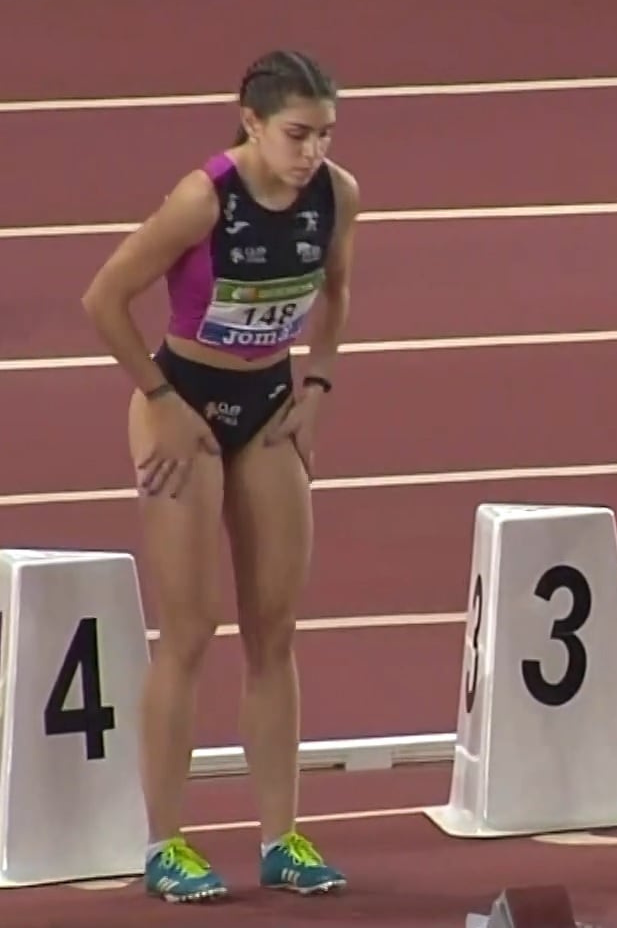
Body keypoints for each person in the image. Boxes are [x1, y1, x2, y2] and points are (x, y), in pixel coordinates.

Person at [81, 49, 359, 900]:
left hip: (269, 404)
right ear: (251, 121)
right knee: (191, 629)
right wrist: (161, 398)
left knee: (274, 630)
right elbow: (103, 297)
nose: (310, 151)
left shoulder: (335, 193)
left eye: (323, 135)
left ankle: (283, 837)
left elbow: (337, 290)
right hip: (185, 405)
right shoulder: (203, 197)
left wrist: (317, 385)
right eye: (295, 134)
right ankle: (166, 842)